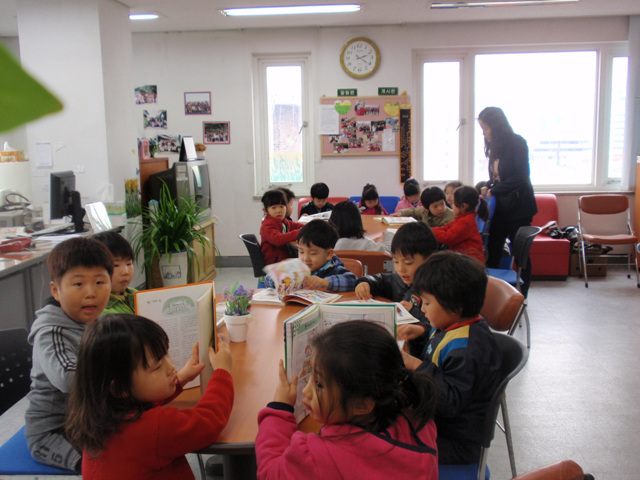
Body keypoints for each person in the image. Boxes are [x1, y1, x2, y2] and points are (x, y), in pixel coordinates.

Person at [255, 321, 438, 480]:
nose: (305, 391)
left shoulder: (319, 456)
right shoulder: (419, 420)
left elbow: (270, 472)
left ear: (362, 405)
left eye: (319, 384)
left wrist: (279, 409)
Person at [66, 314, 234, 479]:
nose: (171, 366)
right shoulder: (154, 429)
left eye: (166, 354)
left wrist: (181, 378)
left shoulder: (98, 417)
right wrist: (222, 371)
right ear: (120, 387)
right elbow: (209, 421)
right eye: (158, 366)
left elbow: (147, 399)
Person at [398, 251, 502, 466]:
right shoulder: (455, 324)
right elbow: (438, 348)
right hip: (439, 421)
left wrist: (415, 365)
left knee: (380, 438)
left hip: (455, 441)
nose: (422, 309)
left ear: (456, 307)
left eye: (427, 303)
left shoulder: (467, 349)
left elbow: (450, 403)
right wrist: (422, 331)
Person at [25, 237, 114, 471]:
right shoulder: (50, 333)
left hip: (90, 420)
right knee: (105, 466)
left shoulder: (98, 321)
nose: (91, 293)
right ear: (56, 290)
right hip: (55, 431)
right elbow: (69, 378)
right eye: (78, 284)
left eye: (99, 282)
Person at [478, 106, 537, 296]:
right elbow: (499, 178)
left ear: (496, 126)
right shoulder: (495, 147)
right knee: (493, 250)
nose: (484, 133)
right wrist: (487, 185)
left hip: (519, 208)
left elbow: (521, 177)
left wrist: (494, 189)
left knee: (521, 255)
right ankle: (494, 295)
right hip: (500, 209)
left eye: (486, 128)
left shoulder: (517, 143)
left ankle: (522, 296)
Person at [355, 222, 438, 325]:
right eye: (396, 261)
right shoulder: (400, 279)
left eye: (408, 263)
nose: (400, 269)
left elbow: (438, 326)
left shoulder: (436, 290)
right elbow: (382, 280)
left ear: (429, 259)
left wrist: (415, 313)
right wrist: (366, 282)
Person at [266, 220, 357, 292]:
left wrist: (324, 282)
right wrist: (279, 280)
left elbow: (353, 281)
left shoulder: (333, 269)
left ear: (329, 254)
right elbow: (268, 278)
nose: (305, 258)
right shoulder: (296, 268)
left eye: (313, 253)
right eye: (301, 252)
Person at [431, 186, 488, 264]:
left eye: (454, 203)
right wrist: (428, 229)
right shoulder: (463, 218)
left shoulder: (466, 222)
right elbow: (446, 228)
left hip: (470, 264)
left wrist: (430, 231)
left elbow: (448, 237)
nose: (452, 206)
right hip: (463, 260)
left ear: (464, 206)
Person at [93, 230, 137, 314]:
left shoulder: (135, 294)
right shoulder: (102, 311)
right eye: (116, 265)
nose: (125, 272)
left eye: (129, 264)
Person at [260, 189, 304, 265]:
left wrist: (310, 226)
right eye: (273, 207)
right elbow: (278, 239)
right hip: (275, 263)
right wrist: (300, 232)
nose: (278, 211)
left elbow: (295, 225)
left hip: (285, 258)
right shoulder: (267, 225)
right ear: (265, 211)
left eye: (281, 207)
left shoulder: (283, 221)